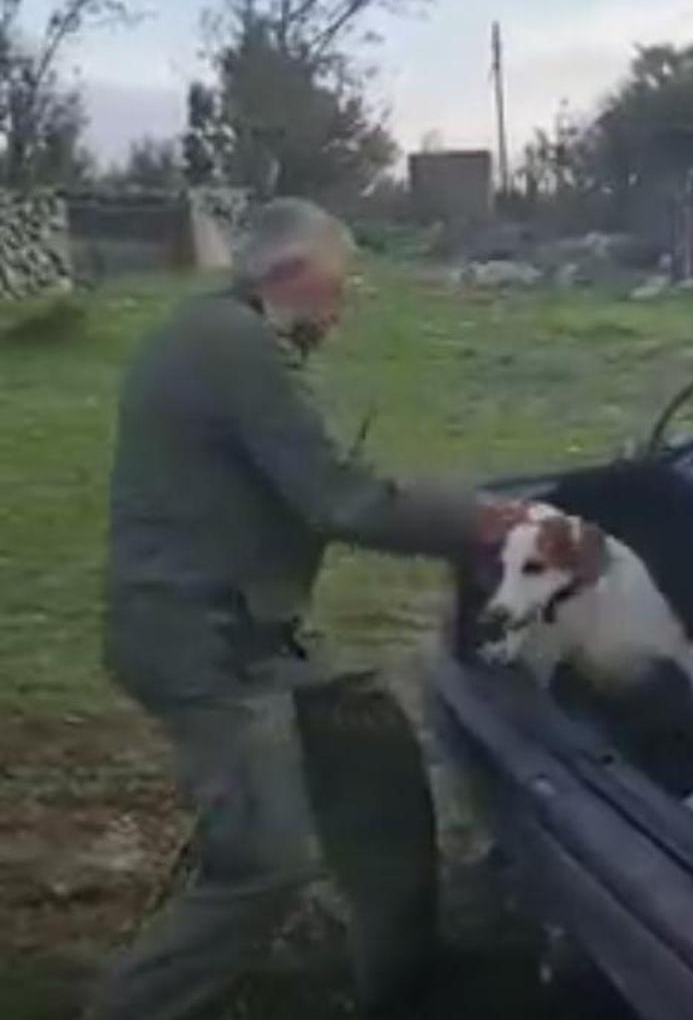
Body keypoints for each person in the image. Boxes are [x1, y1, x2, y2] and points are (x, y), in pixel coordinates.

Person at [87, 198, 525, 1020]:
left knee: (372, 749)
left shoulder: (220, 333)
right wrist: (477, 523)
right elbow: (337, 497)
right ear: (289, 272)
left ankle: (405, 976)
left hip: (257, 628)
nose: (340, 307)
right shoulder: (233, 345)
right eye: (336, 286)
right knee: (263, 866)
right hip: (200, 641)